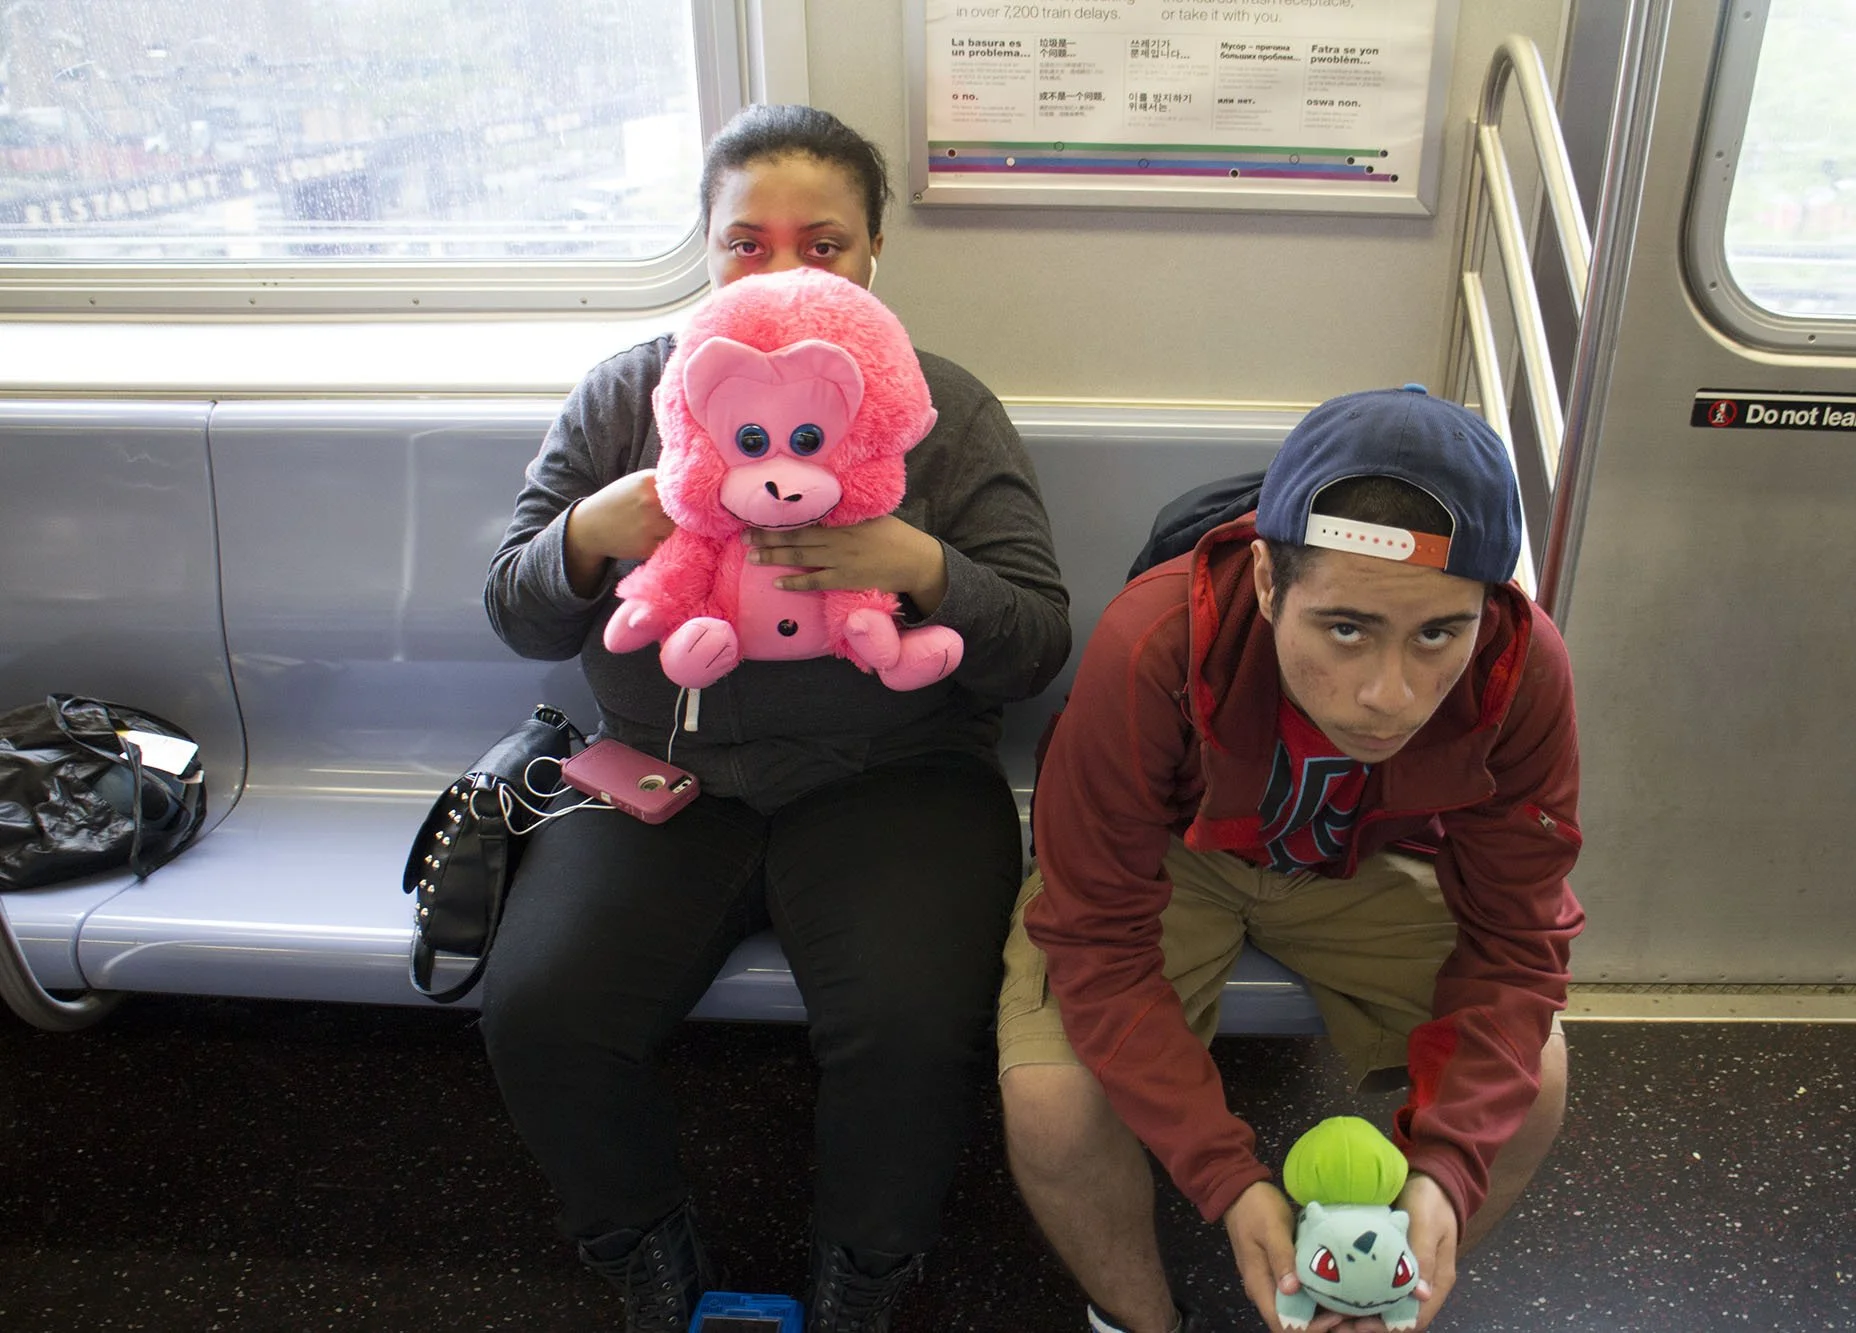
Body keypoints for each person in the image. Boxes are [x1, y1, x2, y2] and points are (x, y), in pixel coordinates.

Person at [481, 104, 1070, 1333]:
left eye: (826, 244)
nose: (785, 272)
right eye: (746, 244)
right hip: (660, 772)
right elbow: (516, 612)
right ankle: (648, 1258)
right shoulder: (630, 394)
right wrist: (594, 535)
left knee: (911, 1030)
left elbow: (1032, 646)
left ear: (872, 258)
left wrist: (915, 560)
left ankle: (864, 1278)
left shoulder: (942, 409)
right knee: (540, 1011)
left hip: (893, 776)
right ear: (705, 252)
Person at [998, 387, 1583, 1333]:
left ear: (1487, 606)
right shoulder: (1152, 641)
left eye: (1439, 632)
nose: (1387, 695)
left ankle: (1373, 1296)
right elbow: (1097, 928)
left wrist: (1445, 1171)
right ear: (1269, 583)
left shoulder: (1523, 665)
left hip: (1362, 860)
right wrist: (1230, 1181)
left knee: (1536, 1078)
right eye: (1345, 627)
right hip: (1177, 854)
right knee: (1053, 1101)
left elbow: (1518, 942)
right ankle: (1141, 1324)